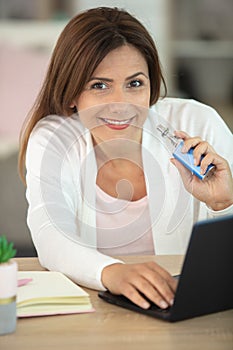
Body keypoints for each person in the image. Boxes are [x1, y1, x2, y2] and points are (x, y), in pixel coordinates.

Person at [18, 7, 233, 310]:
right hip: (96, 314)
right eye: (99, 85)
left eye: (134, 84)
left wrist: (223, 202)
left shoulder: (199, 123)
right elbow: (50, 235)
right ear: (71, 94)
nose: (121, 105)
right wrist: (113, 273)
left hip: (189, 311)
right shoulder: (54, 138)